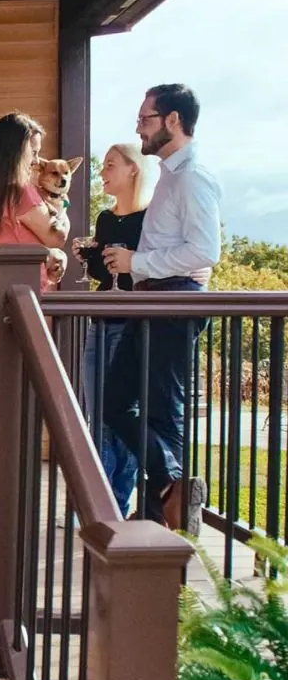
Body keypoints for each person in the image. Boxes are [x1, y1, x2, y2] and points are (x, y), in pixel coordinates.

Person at [102, 84, 220, 532]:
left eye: (145, 119)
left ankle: (163, 515)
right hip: (151, 299)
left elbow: (205, 251)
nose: (138, 128)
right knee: (117, 403)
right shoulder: (172, 174)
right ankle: (166, 495)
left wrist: (138, 262)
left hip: (173, 301)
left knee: (162, 413)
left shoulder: (193, 176)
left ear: (173, 121)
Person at [0, 113, 70, 517]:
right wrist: (63, 221)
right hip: (20, 302)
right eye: (33, 151)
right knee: (16, 399)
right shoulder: (21, 192)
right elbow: (56, 235)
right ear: (15, 150)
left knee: (3, 394)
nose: (36, 160)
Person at [73, 143, 153, 516]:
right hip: (100, 322)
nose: (102, 173)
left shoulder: (151, 218)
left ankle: (108, 507)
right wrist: (89, 259)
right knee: (97, 416)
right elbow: (105, 276)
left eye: (109, 165)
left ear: (133, 169)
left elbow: (149, 272)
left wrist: (129, 263)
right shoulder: (105, 219)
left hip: (133, 328)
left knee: (121, 415)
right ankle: (103, 507)